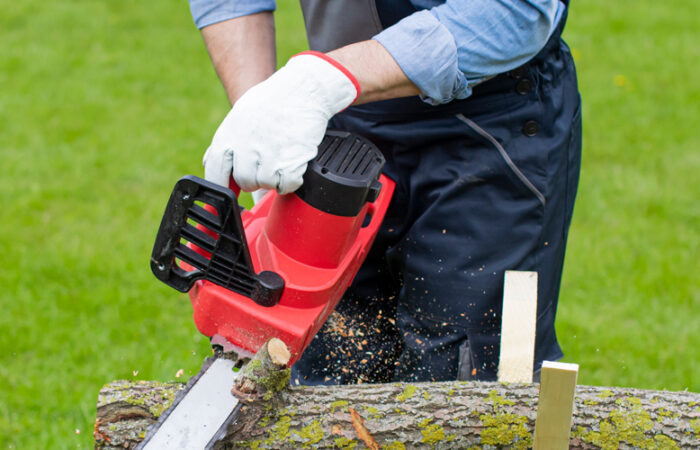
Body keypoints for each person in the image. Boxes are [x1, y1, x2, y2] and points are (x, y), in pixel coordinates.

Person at [188, 0, 582, 383]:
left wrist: (323, 81)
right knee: (328, 371)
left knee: (465, 385)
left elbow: (520, 10)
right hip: (340, 121)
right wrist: (265, 118)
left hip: (492, 123)